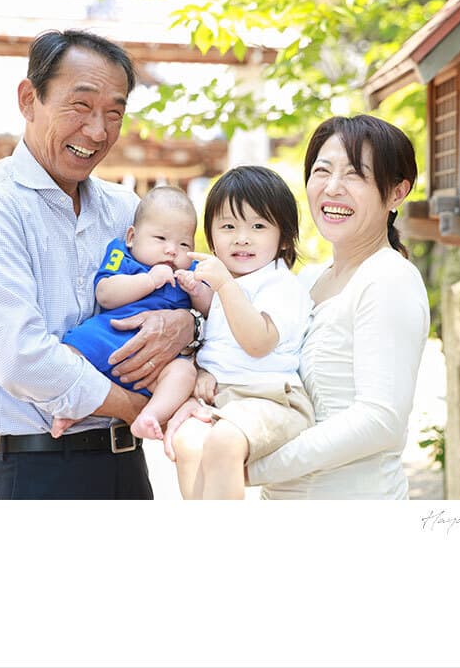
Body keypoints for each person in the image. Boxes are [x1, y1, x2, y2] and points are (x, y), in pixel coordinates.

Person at [0, 29, 202, 500]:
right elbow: (20, 358)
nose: (98, 132)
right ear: (29, 99)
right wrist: (137, 407)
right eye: (80, 106)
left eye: (114, 113)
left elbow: (191, 290)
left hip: (128, 468)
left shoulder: (128, 212)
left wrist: (187, 326)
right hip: (32, 471)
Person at [164, 114, 430, 499]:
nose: (333, 187)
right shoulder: (307, 281)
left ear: (396, 193)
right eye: (322, 171)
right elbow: (254, 364)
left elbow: (380, 421)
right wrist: (203, 389)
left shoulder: (389, 279)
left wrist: (238, 463)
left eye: (355, 174)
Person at [167, 165, 314, 500]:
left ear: (284, 237)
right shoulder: (228, 285)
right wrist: (202, 371)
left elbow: (257, 343)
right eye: (228, 226)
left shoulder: (280, 285)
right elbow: (219, 342)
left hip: (274, 399)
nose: (242, 237)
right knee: (187, 440)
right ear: (211, 237)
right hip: (225, 400)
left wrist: (223, 285)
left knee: (223, 442)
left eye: (258, 226)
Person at [57, 185, 205, 441]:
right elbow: (105, 293)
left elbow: (211, 311)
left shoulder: (190, 271)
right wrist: (149, 280)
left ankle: (150, 416)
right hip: (110, 335)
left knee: (184, 374)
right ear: (131, 237)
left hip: (158, 360)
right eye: (161, 239)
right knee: (66, 356)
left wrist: (197, 290)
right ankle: (72, 408)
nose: (172, 250)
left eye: (184, 244)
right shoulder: (122, 256)